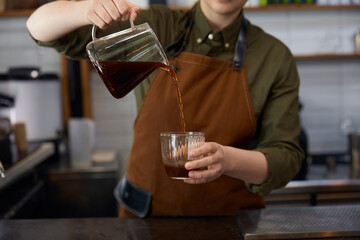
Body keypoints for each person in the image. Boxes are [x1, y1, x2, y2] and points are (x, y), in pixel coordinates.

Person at [27, 0, 304, 217]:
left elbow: (286, 157)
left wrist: (228, 160)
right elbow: (39, 27)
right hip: (145, 219)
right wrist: (84, 9)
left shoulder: (273, 57)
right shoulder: (154, 26)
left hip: (230, 222)